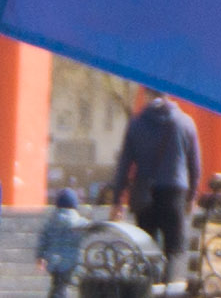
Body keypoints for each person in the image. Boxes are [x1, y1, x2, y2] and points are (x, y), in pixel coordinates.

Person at [106, 86, 200, 269]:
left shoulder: (136, 123)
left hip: (144, 193)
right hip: (175, 192)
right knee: (173, 250)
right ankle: (168, 288)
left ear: (147, 95)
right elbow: (195, 165)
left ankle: (149, 288)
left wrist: (118, 200)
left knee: (146, 247)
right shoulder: (185, 122)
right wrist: (192, 196)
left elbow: (124, 164)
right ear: (167, 94)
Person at [38, 185, 92, 296]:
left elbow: (43, 239)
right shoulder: (78, 221)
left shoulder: (51, 222)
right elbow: (89, 228)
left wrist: (40, 256)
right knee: (63, 285)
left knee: (57, 284)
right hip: (71, 260)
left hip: (53, 260)